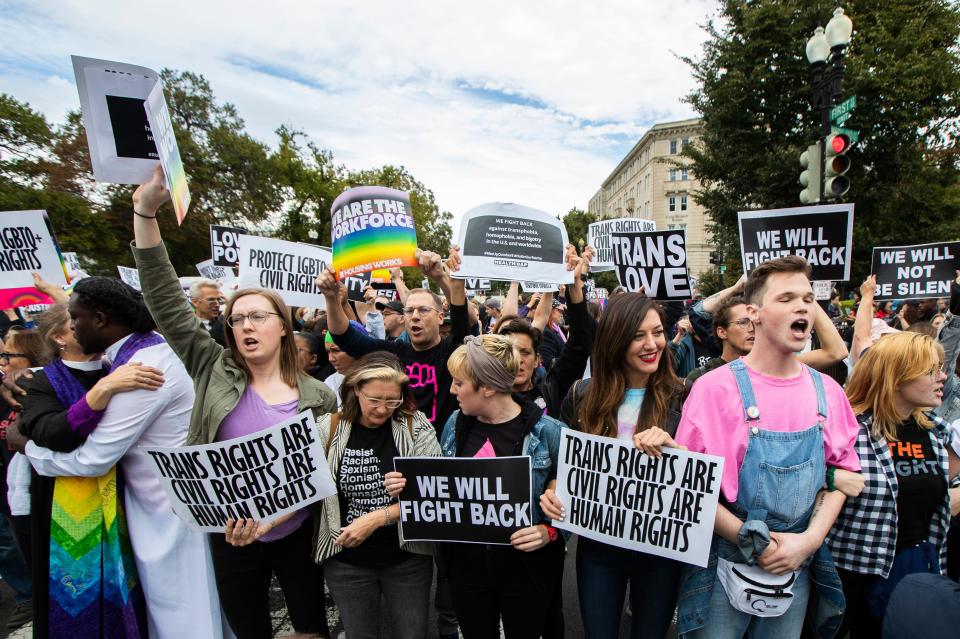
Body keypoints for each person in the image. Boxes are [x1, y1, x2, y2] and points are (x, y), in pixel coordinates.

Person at [129, 167, 335, 639]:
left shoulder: (319, 397)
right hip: (231, 534)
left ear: (282, 326)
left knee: (310, 627)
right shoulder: (210, 366)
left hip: (295, 534)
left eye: (257, 316)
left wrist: (278, 518)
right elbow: (164, 299)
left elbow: (323, 474)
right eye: (236, 317)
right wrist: (145, 213)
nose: (245, 325)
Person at [12, 276, 227, 638]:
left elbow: (93, 459)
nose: (74, 326)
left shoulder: (144, 370)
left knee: (183, 620)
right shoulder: (145, 352)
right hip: (160, 509)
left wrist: (32, 451)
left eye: (76, 317)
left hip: (166, 519)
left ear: (100, 319)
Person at [673, 256, 861, 639]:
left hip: (796, 566)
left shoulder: (828, 392)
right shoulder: (713, 390)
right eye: (787, 297)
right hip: (724, 564)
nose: (802, 307)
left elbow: (843, 476)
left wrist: (807, 542)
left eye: (808, 298)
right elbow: (689, 487)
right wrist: (750, 540)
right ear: (754, 313)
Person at [386, 334, 565, 639]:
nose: (452, 389)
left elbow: (575, 505)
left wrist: (548, 531)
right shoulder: (455, 424)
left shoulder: (549, 432)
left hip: (525, 570)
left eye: (459, 382)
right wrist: (409, 484)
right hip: (466, 570)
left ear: (488, 387)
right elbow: (444, 487)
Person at [12, 302, 166, 637]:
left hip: (131, 499)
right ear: (58, 338)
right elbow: (55, 435)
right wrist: (104, 390)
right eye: (76, 322)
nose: (92, 325)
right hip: (65, 513)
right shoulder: (40, 383)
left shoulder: (126, 366)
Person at [543, 293, 686, 639]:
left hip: (659, 551)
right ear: (615, 339)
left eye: (658, 332)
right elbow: (562, 468)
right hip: (599, 548)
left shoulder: (685, 394)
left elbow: (703, 474)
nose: (652, 344)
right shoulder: (581, 395)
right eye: (638, 335)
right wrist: (552, 492)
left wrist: (675, 449)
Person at [827, 332, 960, 637]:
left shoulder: (937, 433)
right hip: (855, 579)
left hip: (918, 570)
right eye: (931, 370)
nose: (943, 377)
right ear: (897, 376)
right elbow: (807, 480)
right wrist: (831, 476)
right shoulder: (848, 432)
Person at [315, 353, 440, 639]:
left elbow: (434, 490)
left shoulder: (415, 425)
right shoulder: (328, 428)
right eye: (374, 399)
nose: (383, 409)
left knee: (412, 633)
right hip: (346, 563)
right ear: (356, 389)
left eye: (392, 401)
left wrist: (379, 516)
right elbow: (304, 486)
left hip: (406, 560)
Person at [0, 326, 42, 630]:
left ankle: (31, 596)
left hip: (38, 496)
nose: (3, 362)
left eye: (8, 355)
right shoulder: (5, 392)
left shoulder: (43, 395)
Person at [190, 278, 226, 345]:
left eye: (218, 299)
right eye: (211, 300)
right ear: (195, 302)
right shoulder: (188, 326)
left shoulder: (225, 322)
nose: (217, 304)